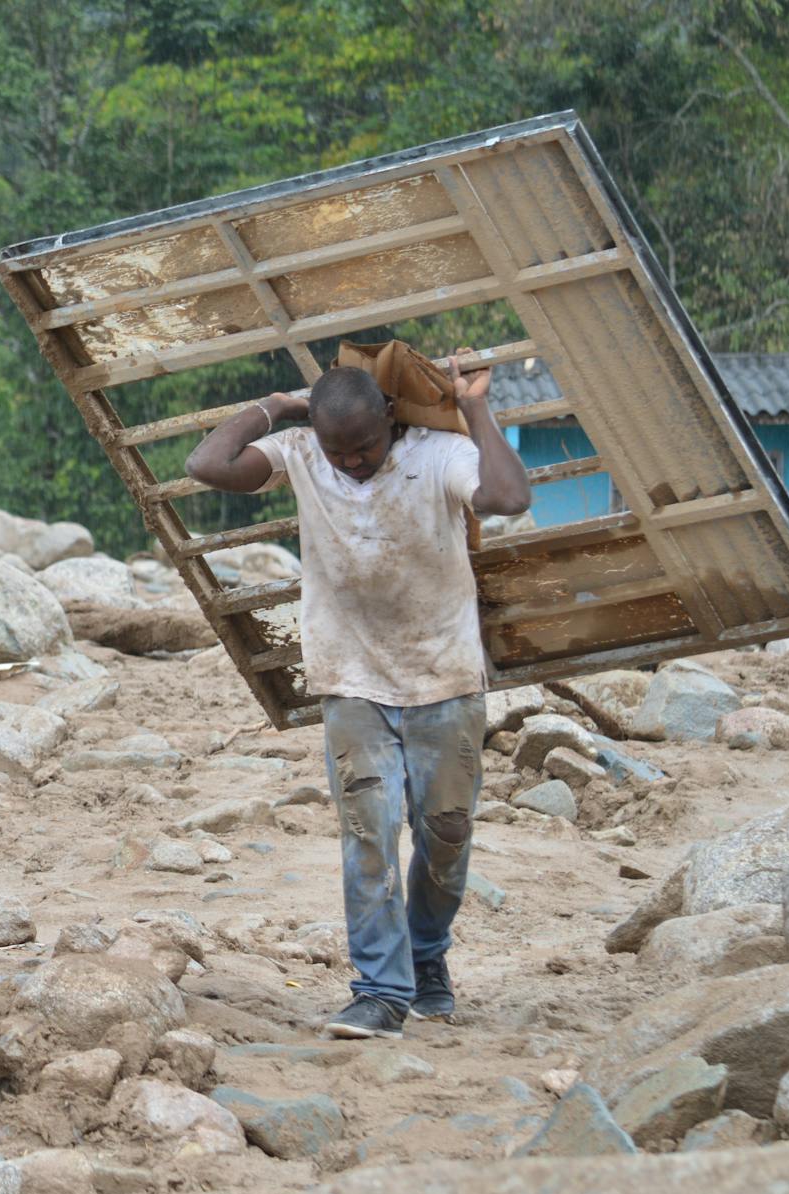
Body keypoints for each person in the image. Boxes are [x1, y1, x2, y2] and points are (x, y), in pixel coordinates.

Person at [185, 350, 530, 1040]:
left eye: (364, 446)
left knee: (446, 836)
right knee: (368, 832)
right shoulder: (302, 451)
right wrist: (278, 408)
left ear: (389, 420)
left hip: (445, 675)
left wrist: (476, 407)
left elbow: (507, 498)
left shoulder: (438, 454)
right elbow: (208, 465)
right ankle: (379, 989)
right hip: (350, 678)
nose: (349, 462)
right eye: (336, 449)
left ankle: (428, 957)